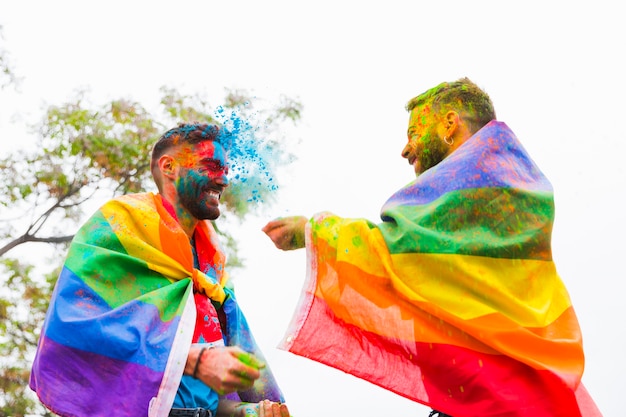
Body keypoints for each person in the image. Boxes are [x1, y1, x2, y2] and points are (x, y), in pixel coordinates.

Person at [262, 78, 602, 417]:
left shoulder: (480, 177)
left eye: (412, 133)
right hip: (513, 388)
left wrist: (313, 230)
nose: (405, 149)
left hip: (501, 394)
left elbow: (399, 249)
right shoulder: (515, 178)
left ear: (449, 123)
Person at [30, 123, 290, 417]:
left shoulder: (211, 269)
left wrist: (249, 412)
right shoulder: (117, 230)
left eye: (225, 169)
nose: (224, 180)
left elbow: (200, 402)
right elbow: (71, 332)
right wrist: (195, 360)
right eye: (211, 166)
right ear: (169, 167)